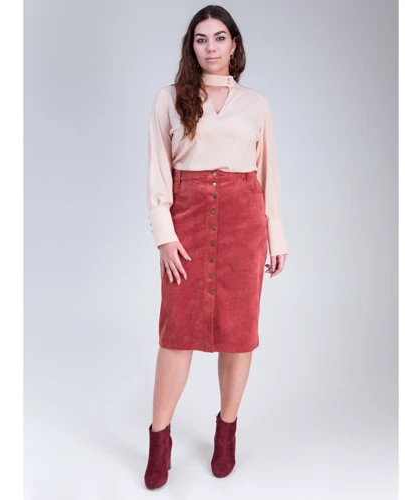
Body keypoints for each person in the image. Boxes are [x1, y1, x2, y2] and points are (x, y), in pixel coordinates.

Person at [144, 5, 288, 490]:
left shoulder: (257, 104)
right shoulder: (169, 98)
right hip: (185, 221)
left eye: (219, 37)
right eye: (201, 39)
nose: (211, 47)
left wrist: (276, 236)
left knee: (238, 333)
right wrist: (164, 235)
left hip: (244, 223)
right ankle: (159, 439)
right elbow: (158, 170)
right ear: (192, 47)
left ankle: (226, 431)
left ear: (234, 44)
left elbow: (268, 174)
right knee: (176, 333)